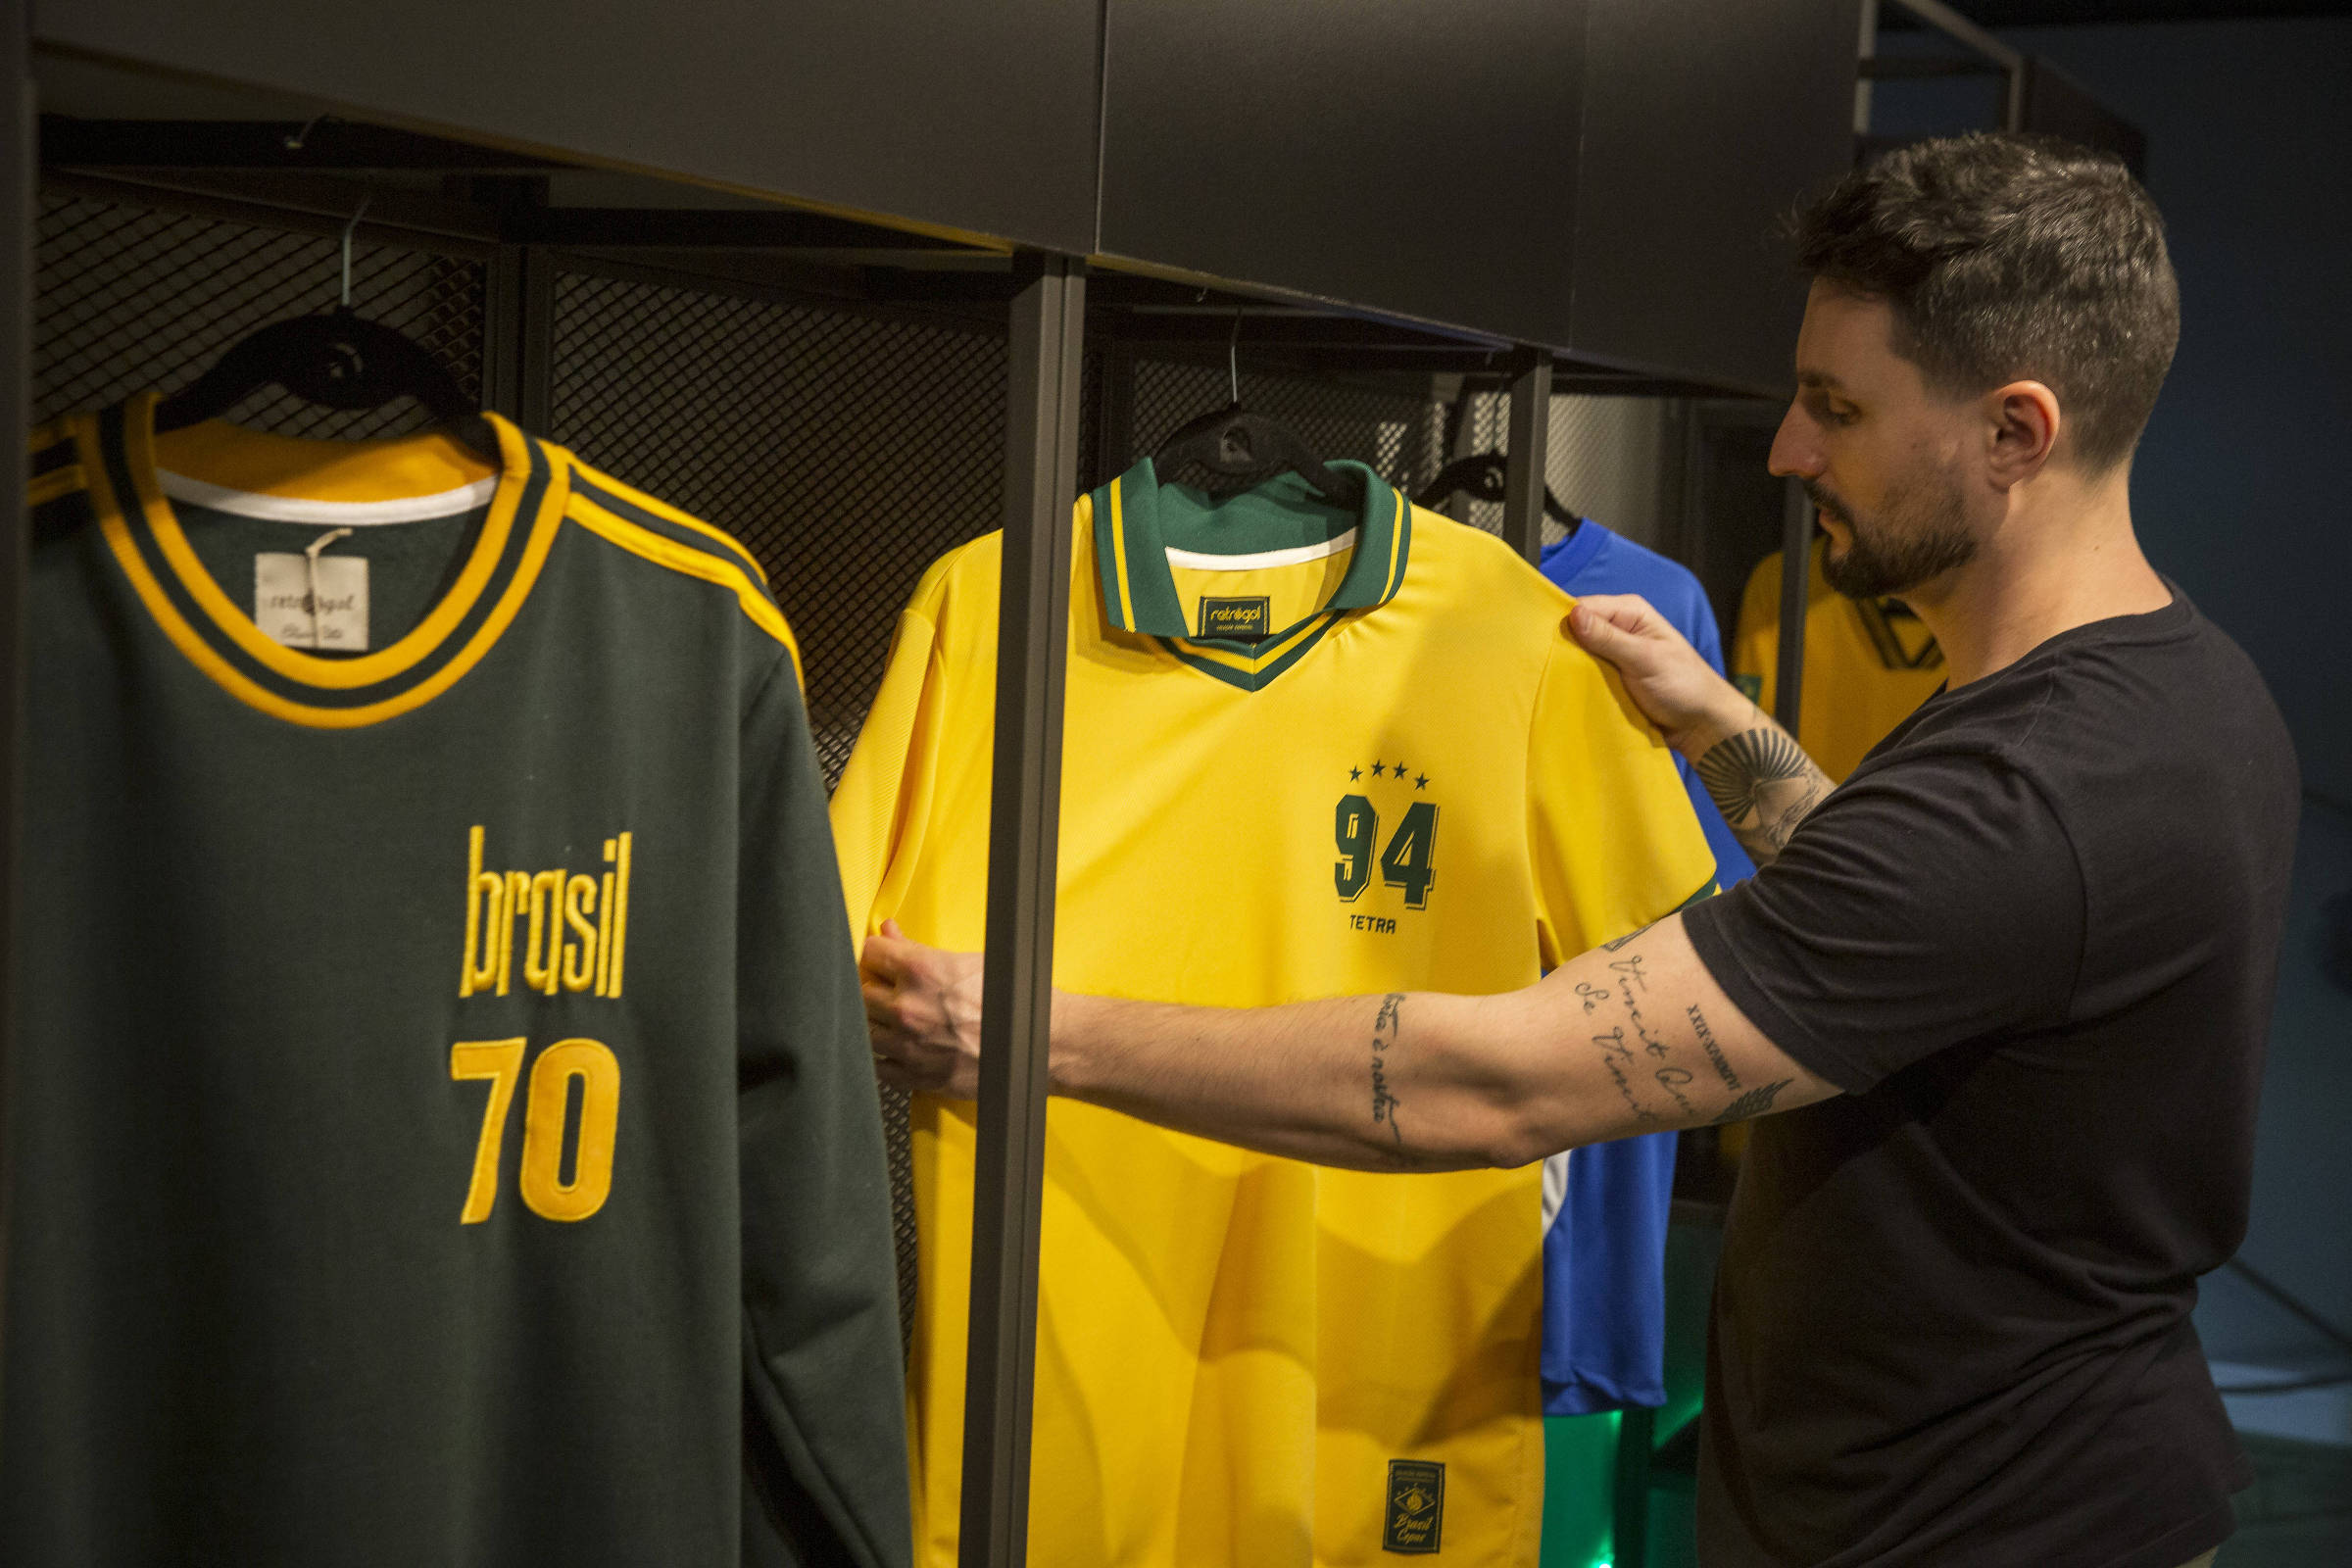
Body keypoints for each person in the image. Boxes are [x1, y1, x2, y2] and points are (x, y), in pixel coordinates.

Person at [860, 133, 2298, 1568]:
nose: (1792, 450)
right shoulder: (2177, 696)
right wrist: (1723, 731)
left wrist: (1033, 1034)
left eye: (1837, 408)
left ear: (2016, 433)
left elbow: (1493, 1086)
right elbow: (1917, 935)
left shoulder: (2029, 792)